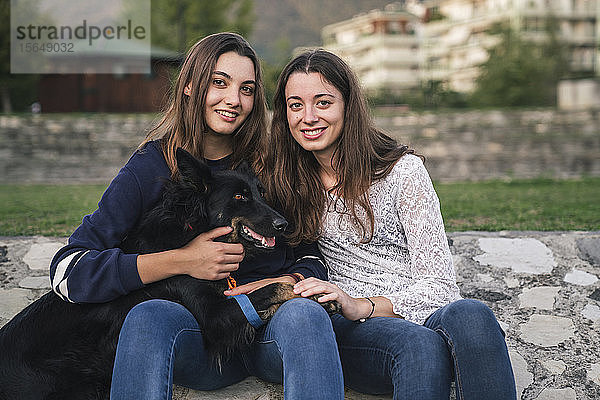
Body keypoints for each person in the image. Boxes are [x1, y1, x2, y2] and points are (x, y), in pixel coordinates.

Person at [49, 34, 344, 400]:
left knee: (305, 315)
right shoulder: (151, 167)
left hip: (273, 335)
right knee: (149, 316)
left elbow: (314, 256)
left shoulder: (272, 165)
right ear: (189, 86)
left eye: (247, 89)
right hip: (200, 341)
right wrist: (182, 261)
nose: (234, 100)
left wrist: (288, 280)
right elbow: (68, 272)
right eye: (219, 83)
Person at [260, 48, 517, 399]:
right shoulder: (285, 181)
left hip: (413, 311)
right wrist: (350, 307)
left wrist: (364, 303)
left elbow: (441, 286)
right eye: (295, 105)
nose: (308, 117)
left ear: (348, 107)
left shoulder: (402, 171)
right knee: (417, 344)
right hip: (354, 330)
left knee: (472, 314)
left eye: (323, 102)